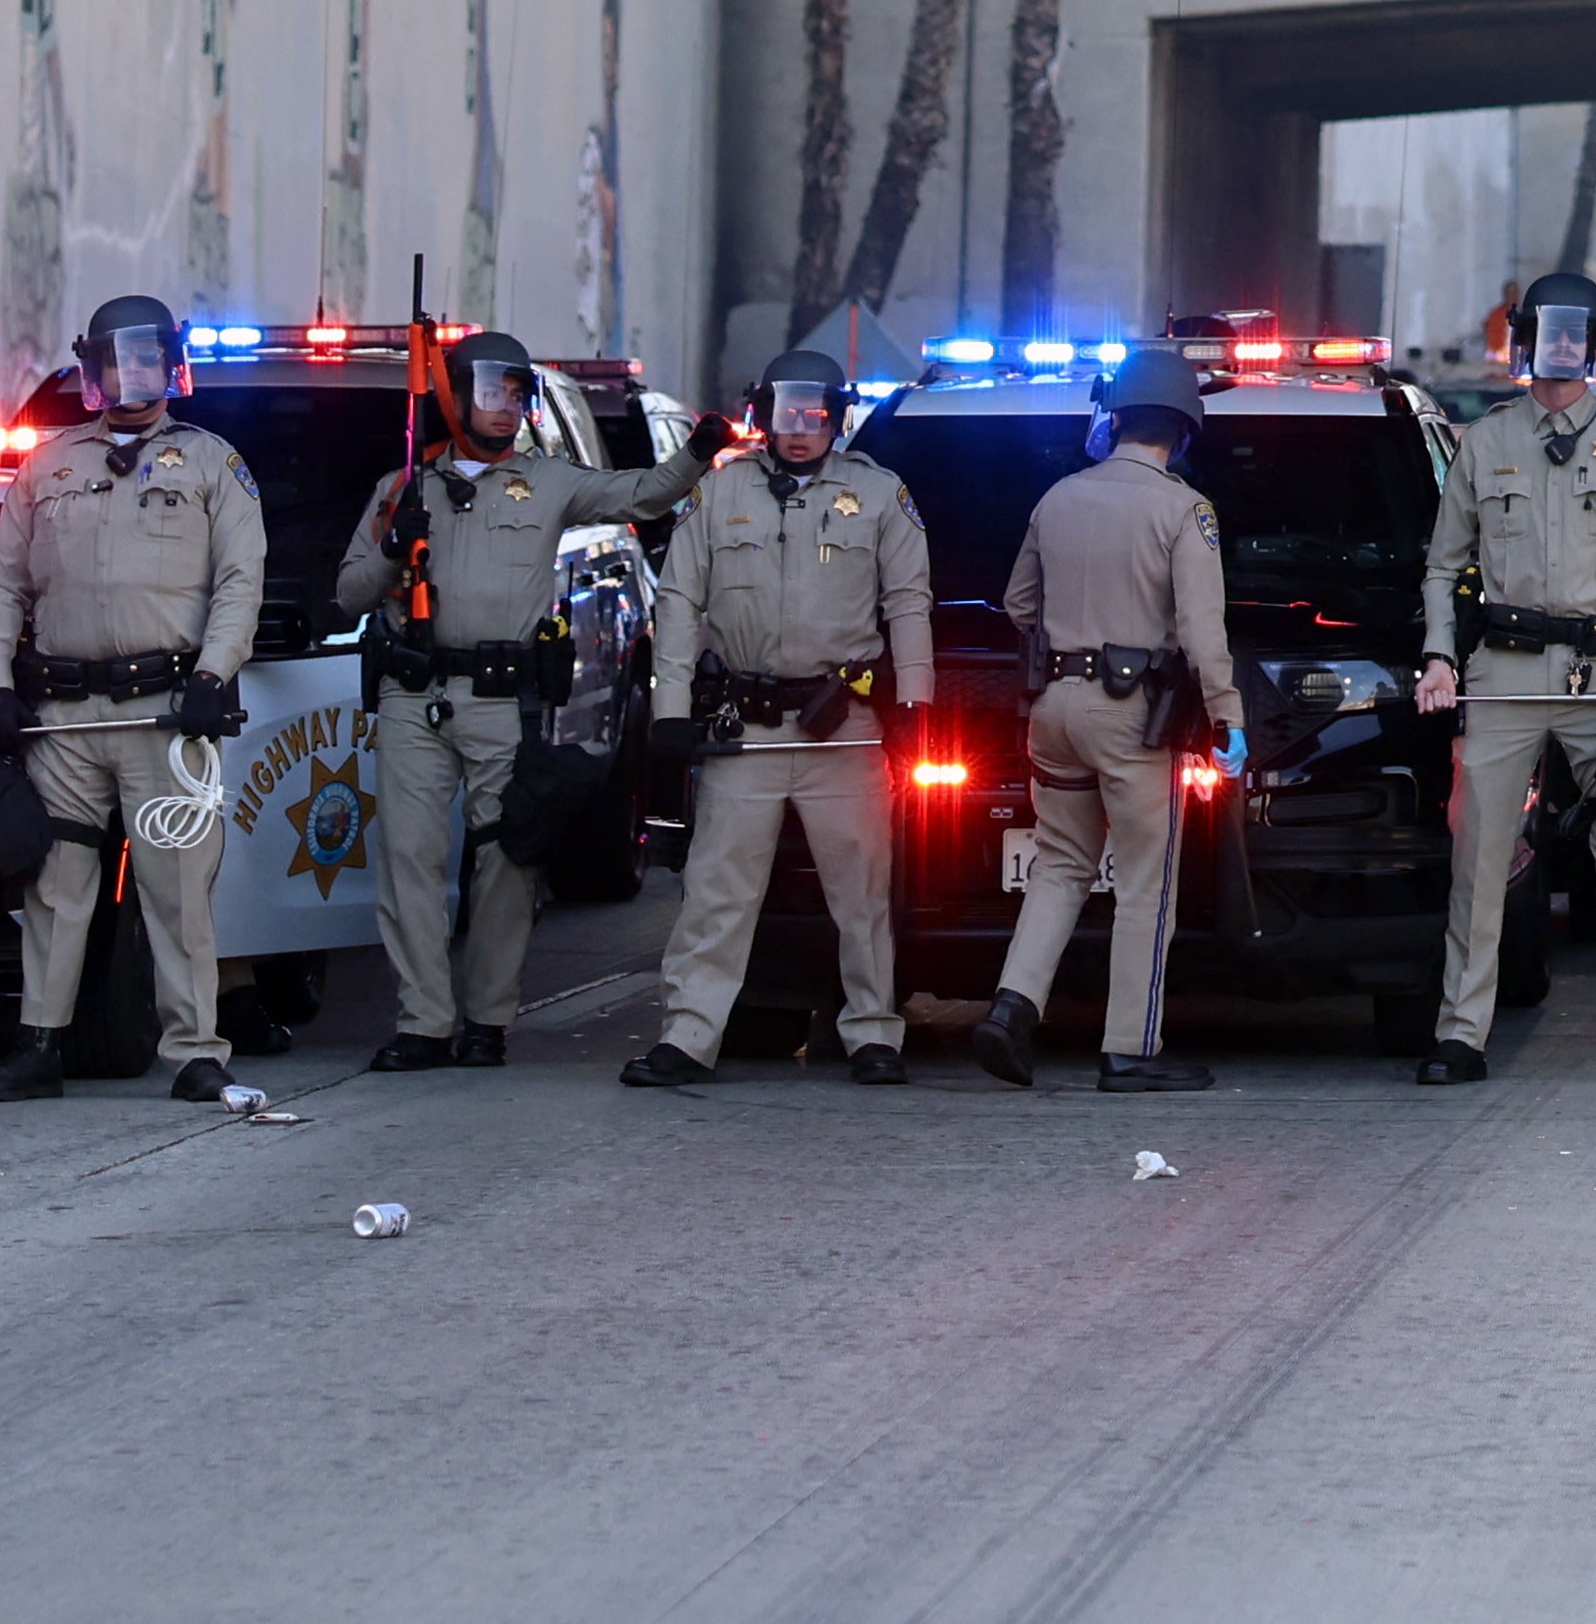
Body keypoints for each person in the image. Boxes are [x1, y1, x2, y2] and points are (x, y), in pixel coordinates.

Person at [336, 322, 690, 1068]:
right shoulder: (406, 484)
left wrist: (700, 451)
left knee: (508, 857)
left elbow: (642, 493)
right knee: (410, 859)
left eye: (516, 394)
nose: (506, 407)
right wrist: (396, 550)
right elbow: (349, 593)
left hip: (503, 697)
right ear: (454, 397)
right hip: (414, 693)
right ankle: (422, 1022)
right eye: (491, 392)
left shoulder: (550, 479)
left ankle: (488, 1018)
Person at [0, 295, 268, 1099]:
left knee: (175, 886)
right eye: (114, 360)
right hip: (61, 716)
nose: (130, 374)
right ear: (89, 367)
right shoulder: (47, 463)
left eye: (145, 359)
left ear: (171, 365)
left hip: (165, 711)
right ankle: (39, 1047)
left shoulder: (212, 463)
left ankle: (196, 1050)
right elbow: (2, 584)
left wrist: (213, 673)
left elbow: (241, 583)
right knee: (55, 887)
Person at [1414, 264, 1596, 1084]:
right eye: (1551, 334)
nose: (1565, 349)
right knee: (1480, 856)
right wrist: (1440, 653)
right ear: (1523, 341)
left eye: (1580, 336)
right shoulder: (1488, 440)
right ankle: (1461, 1035)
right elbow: (1444, 567)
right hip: (1503, 670)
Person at [619, 340, 938, 1088]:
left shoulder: (881, 494)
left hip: (843, 727)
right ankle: (690, 1035)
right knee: (718, 890)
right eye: (787, 412)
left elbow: (909, 604)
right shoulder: (719, 492)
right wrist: (669, 711)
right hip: (747, 727)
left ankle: (871, 1031)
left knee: (861, 890)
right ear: (762, 412)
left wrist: (917, 702)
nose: (800, 428)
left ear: (837, 420)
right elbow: (678, 601)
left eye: (816, 415)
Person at [979, 360, 1240, 1094]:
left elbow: (1017, 603)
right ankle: (1130, 1047)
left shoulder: (1058, 496)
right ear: (1185, 432)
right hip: (1131, 716)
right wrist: (1227, 716)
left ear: (1113, 419)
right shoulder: (1184, 510)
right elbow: (1201, 631)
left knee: (1061, 863)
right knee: (1146, 882)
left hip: (1053, 708)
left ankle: (1012, 1007)